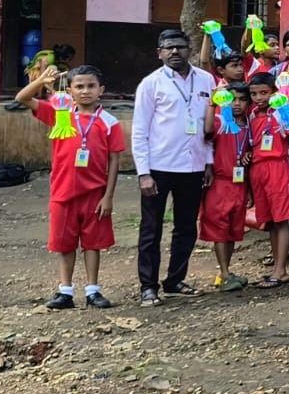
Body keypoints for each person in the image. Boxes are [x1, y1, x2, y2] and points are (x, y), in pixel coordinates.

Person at [17, 64, 124, 309]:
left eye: (91, 86)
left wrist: (108, 196)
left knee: (92, 243)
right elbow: (22, 98)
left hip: (95, 193)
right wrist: (42, 80)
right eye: (79, 86)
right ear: (70, 91)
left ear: (101, 90)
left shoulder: (109, 122)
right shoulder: (60, 113)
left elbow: (114, 159)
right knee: (64, 243)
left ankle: (92, 291)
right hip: (63, 191)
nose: (85, 91)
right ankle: (65, 292)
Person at [132, 29, 219, 308]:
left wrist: (208, 161)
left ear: (189, 49)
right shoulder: (150, 84)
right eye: (168, 48)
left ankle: (175, 280)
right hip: (159, 167)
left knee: (186, 227)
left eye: (180, 47)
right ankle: (148, 286)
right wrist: (143, 173)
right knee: (151, 229)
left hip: (193, 167)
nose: (174, 52)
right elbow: (139, 131)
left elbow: (209, 125)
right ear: (159, 52)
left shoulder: (206, 80)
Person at [244, 72, 289, 288]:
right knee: (270, 221)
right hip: (257, 169)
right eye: (254, 94)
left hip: (276, 167)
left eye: (264, 93)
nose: (259, 98)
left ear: (273, 92)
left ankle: (281, 270)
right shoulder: (251, 115)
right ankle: (277, 266)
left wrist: (284, 109)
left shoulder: (279, 113)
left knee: (281, 218)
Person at [200, 81, 250, 292]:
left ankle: (225, 272)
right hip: (219, 183)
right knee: (219, 227)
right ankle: (225, 272)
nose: (236, 104)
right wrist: (212, 105)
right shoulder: (221, 121)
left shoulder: (249, 124)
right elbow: (208, 130)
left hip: (240, 183)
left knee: (232, 229)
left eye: (241, 99)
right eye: (232, 99)